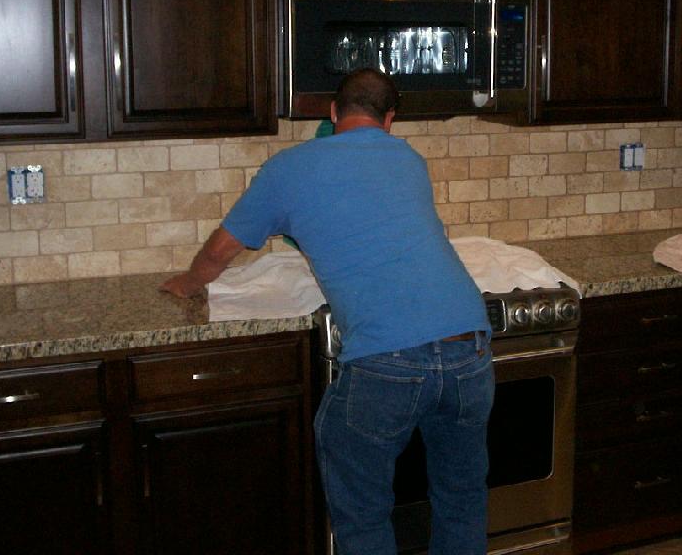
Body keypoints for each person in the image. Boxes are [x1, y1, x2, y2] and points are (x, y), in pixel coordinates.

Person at [161, 68, 494, 555]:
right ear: (390, 119)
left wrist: (185, 284)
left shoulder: (288, 168)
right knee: (461, 500)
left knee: (362, 512)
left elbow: (219, 251)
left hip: (388, 358)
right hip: (470, 346)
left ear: (333, 112)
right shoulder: (408, 158)